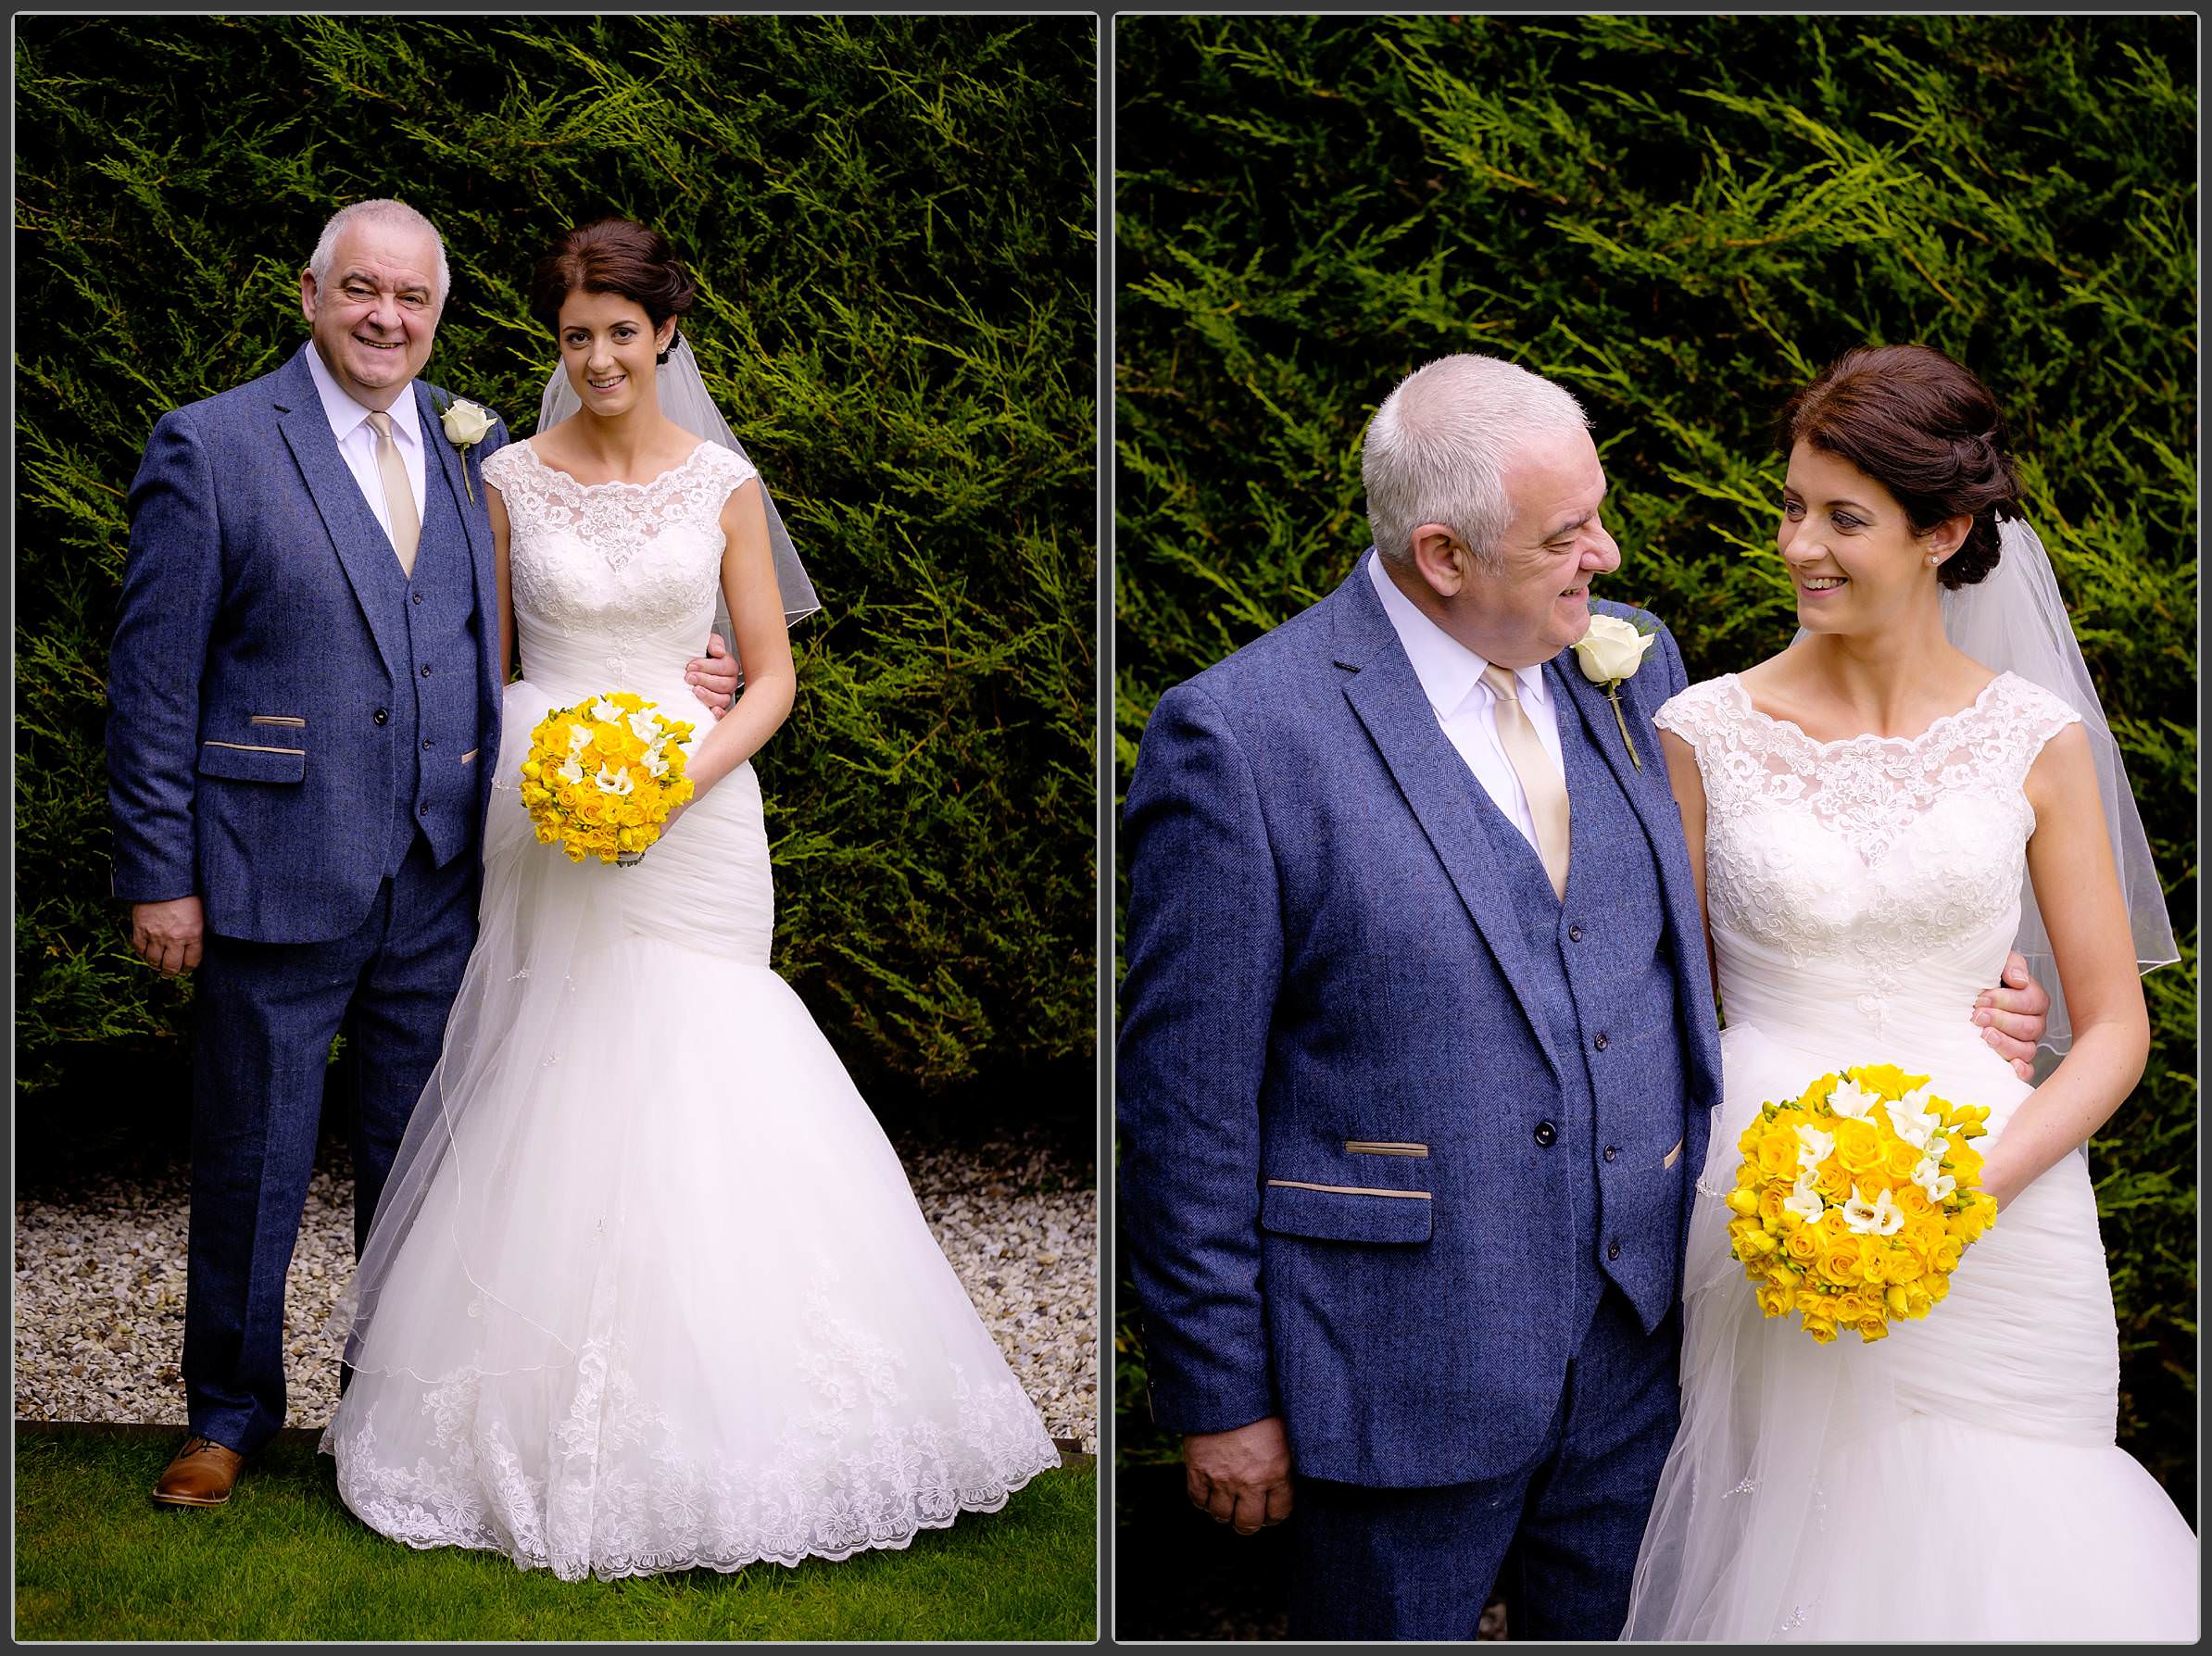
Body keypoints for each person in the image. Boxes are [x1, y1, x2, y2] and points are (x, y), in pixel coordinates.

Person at [1114, 352, 2051, 1640]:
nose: (1604, 556)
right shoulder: (1241, 742)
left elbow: (1730, 938)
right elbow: (1184, 1107)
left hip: (1644, 1352)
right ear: (1443, 556)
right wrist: (1221, 1394)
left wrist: (1962, 1005)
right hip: (1396, 1365)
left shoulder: (1633, 671)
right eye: (1566, 536)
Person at [318, 218, 1062, 1581]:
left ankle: (762, 1407)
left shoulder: (722, 481)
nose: (598, 356)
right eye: (574, 334)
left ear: (666, 334)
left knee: (709, 1050)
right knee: (557, 1059)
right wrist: (551, 775)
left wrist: (675, 775)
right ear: (555, 347)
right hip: (545, 801)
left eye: (620, 330)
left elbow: (771, 674)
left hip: (700, 804)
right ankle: (534, 1413)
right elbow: (479, 661)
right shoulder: (508, 483)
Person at [106, 199, 739, 1510]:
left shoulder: (480, 448)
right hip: (272, 865)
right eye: (361, 291)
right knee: (254, 1155)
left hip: (445, 869)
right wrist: (159, 872)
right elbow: (153, 685)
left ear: (439, 312)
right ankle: (226, 1416)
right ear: (311, 295)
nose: (387, 318)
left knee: (423, 1169)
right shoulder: (213, 446)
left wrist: (697, 673)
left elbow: (507, 636)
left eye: (412, 297)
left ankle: (384, 1415)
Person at [1624, 344, 2195, 1640]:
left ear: (1942, 532)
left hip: (2002, 1196)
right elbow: (1659, 998)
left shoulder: (2033, 738)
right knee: (1802, 1543)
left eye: (1842, 518)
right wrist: (1809, 1206)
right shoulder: (1701, 732)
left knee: (2026, 1524)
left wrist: (1961, 1194)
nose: (1798, 547)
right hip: (1773, 1199)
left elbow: (2113, 1028)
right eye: (1790, 508)